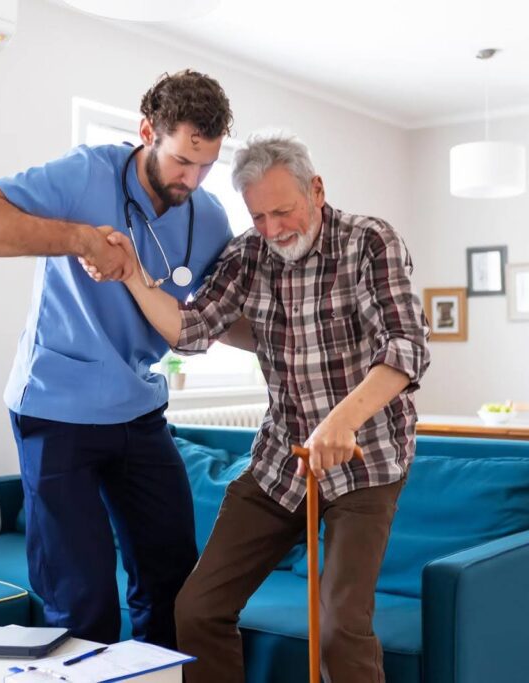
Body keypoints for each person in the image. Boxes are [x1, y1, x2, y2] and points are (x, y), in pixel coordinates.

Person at [83, 133, 430, 682]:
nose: (272, 229)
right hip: (281, 461)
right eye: (259, 215)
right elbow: (191, 330)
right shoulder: (249, 253)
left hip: (367, 459)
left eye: (283, 211)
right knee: (196, 610)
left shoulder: (370, 241)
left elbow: (407, 347)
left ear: (316, 190)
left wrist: (341, 421)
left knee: (341, 626)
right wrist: (133, 276)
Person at [0, 69, 245, 647]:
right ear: (147, 130)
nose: (193, 179)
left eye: (207, 165)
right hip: (57, 411)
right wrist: (79, 239)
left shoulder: (209, 216)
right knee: (82, 604)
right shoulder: (86, 174)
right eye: (183, 160)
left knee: (174, 585)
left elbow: (216, 318)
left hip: (138, 411)